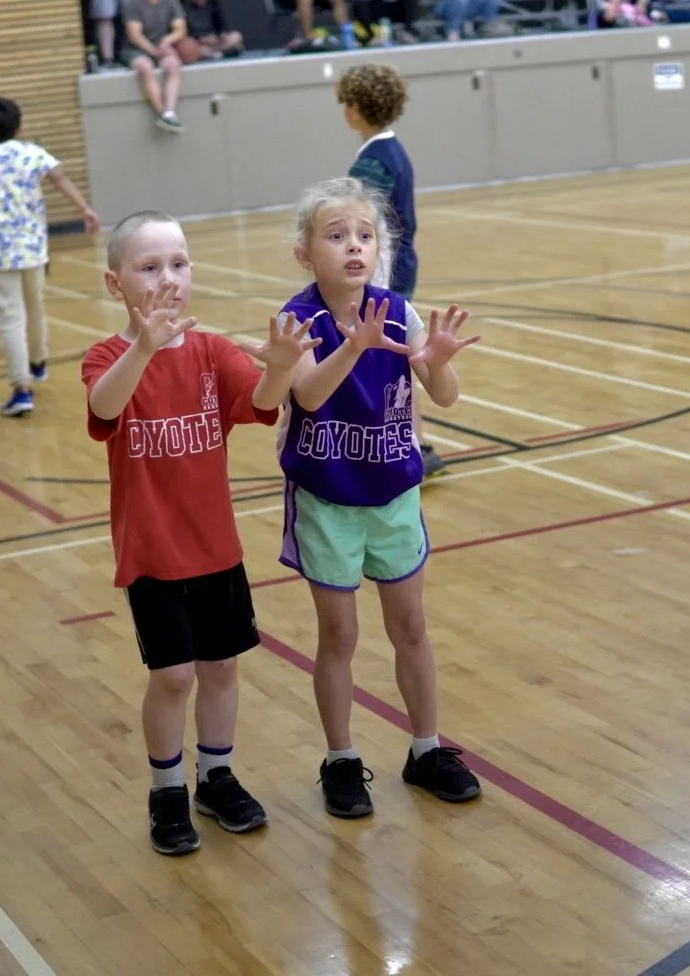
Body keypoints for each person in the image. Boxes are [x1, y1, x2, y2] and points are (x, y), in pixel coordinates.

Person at [81, 210, 318, 855]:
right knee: (175, 676)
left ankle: (215, 776)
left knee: (219, 668)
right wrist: (145, 347)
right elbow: (104, 406)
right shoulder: (108, 357)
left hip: (216, 547)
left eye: (179, 264)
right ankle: (165, 788)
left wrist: (281, 364)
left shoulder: (214, 351)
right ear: (116, 284)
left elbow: (263, 405)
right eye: (150, 267)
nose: (169, 278)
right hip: (152, 554)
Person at [276, 177, 483, 819]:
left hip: (393, 496)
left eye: (365, 235)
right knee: (338, 636)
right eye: (337, 237)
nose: (355, 247)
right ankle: (340, 760)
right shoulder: (298, 319)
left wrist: (441, 359)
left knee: (411, 628)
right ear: (307, 254)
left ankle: (426, 749)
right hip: (328, 499)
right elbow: (307, 395)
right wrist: (354, 347)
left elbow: (442, 396)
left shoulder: (399, 311)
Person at [0, 97, 100, 417]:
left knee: (10, 319)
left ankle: (21, 388)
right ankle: (38, 361)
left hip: (0, 253)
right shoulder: (32, 153)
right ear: (19, 126)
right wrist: (84, 208)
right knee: (35, 308)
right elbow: (59, 177)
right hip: (33, 249)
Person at [338, 63, 447, 478]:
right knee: (398, 360)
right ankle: (416, 443)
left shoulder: (374, 164)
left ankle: (406, 446)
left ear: (356, 109)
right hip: (398, 268)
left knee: (389, 363)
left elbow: (359, 223)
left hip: (384, 275)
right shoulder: (387, 151)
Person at [122, 0, 188, 132]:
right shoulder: (133, 5)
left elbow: (180, 29)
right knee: (145, 66)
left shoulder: (171, 3)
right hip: (135, 50)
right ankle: (161, 113)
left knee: (174, 65)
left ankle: (169, 112)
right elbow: (135, 35)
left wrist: (167, 40)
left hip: (160, 47)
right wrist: (154, 51)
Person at [178, 0, 243, 61]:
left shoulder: (213, 4)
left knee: (236, 36)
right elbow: (182, 32)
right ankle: (221, 53)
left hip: (215, 42)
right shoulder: (182, 7)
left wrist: (223, 34)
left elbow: (220, 24)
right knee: (193, 49)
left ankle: (218, 53)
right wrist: (201, 39)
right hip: (197, 44)